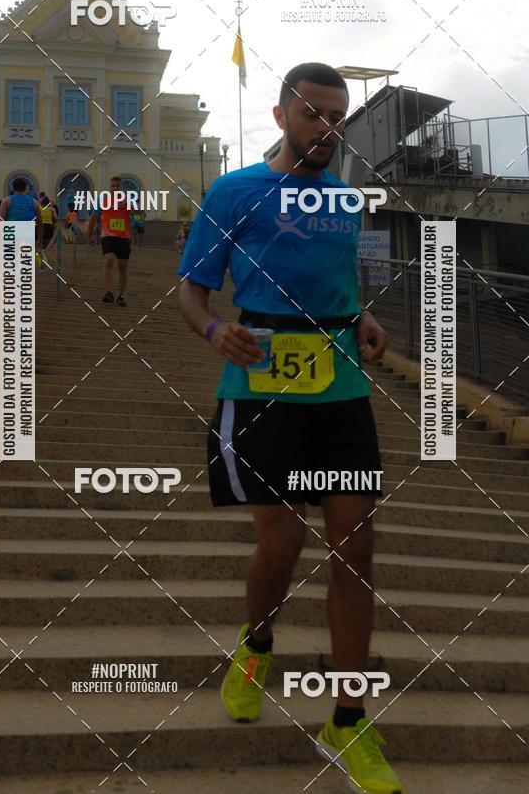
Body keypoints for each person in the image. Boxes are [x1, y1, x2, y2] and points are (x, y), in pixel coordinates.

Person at [177, 63, 401, 794]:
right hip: (261, 386)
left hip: (339, 388)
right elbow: (192, 290)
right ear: (281, 116)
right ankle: (258, 641)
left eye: (338, 116)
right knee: (282, 540)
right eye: (314, 114)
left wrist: (363, 318)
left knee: (355, 544)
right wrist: (214, 329)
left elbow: (343, 284)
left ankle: (348, 715)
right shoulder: (235, 191)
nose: (328, 128)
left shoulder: (346, 200)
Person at [87, 175, 131, 306]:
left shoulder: (128, 200)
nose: (115, 188)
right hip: (107, 235)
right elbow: (94, 216)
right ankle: (108, 292)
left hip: (123, 237)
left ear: (121, 187)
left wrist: (132, 207)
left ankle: (121, 296)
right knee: (109, 260)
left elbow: (140, 214)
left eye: (117, 186)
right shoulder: (102, 199)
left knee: (122, 266)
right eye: (113, 186)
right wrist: (89, 234)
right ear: (109, 187)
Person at [0, 177, 43, 249]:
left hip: (10, 232)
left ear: (13, 188)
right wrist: (40, 240)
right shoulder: (34, 202)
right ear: (25, 188)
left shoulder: (6, 201)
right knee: (25, 258)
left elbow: (1, 220)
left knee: (10, 259)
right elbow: (40, 222)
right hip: (28, 232)